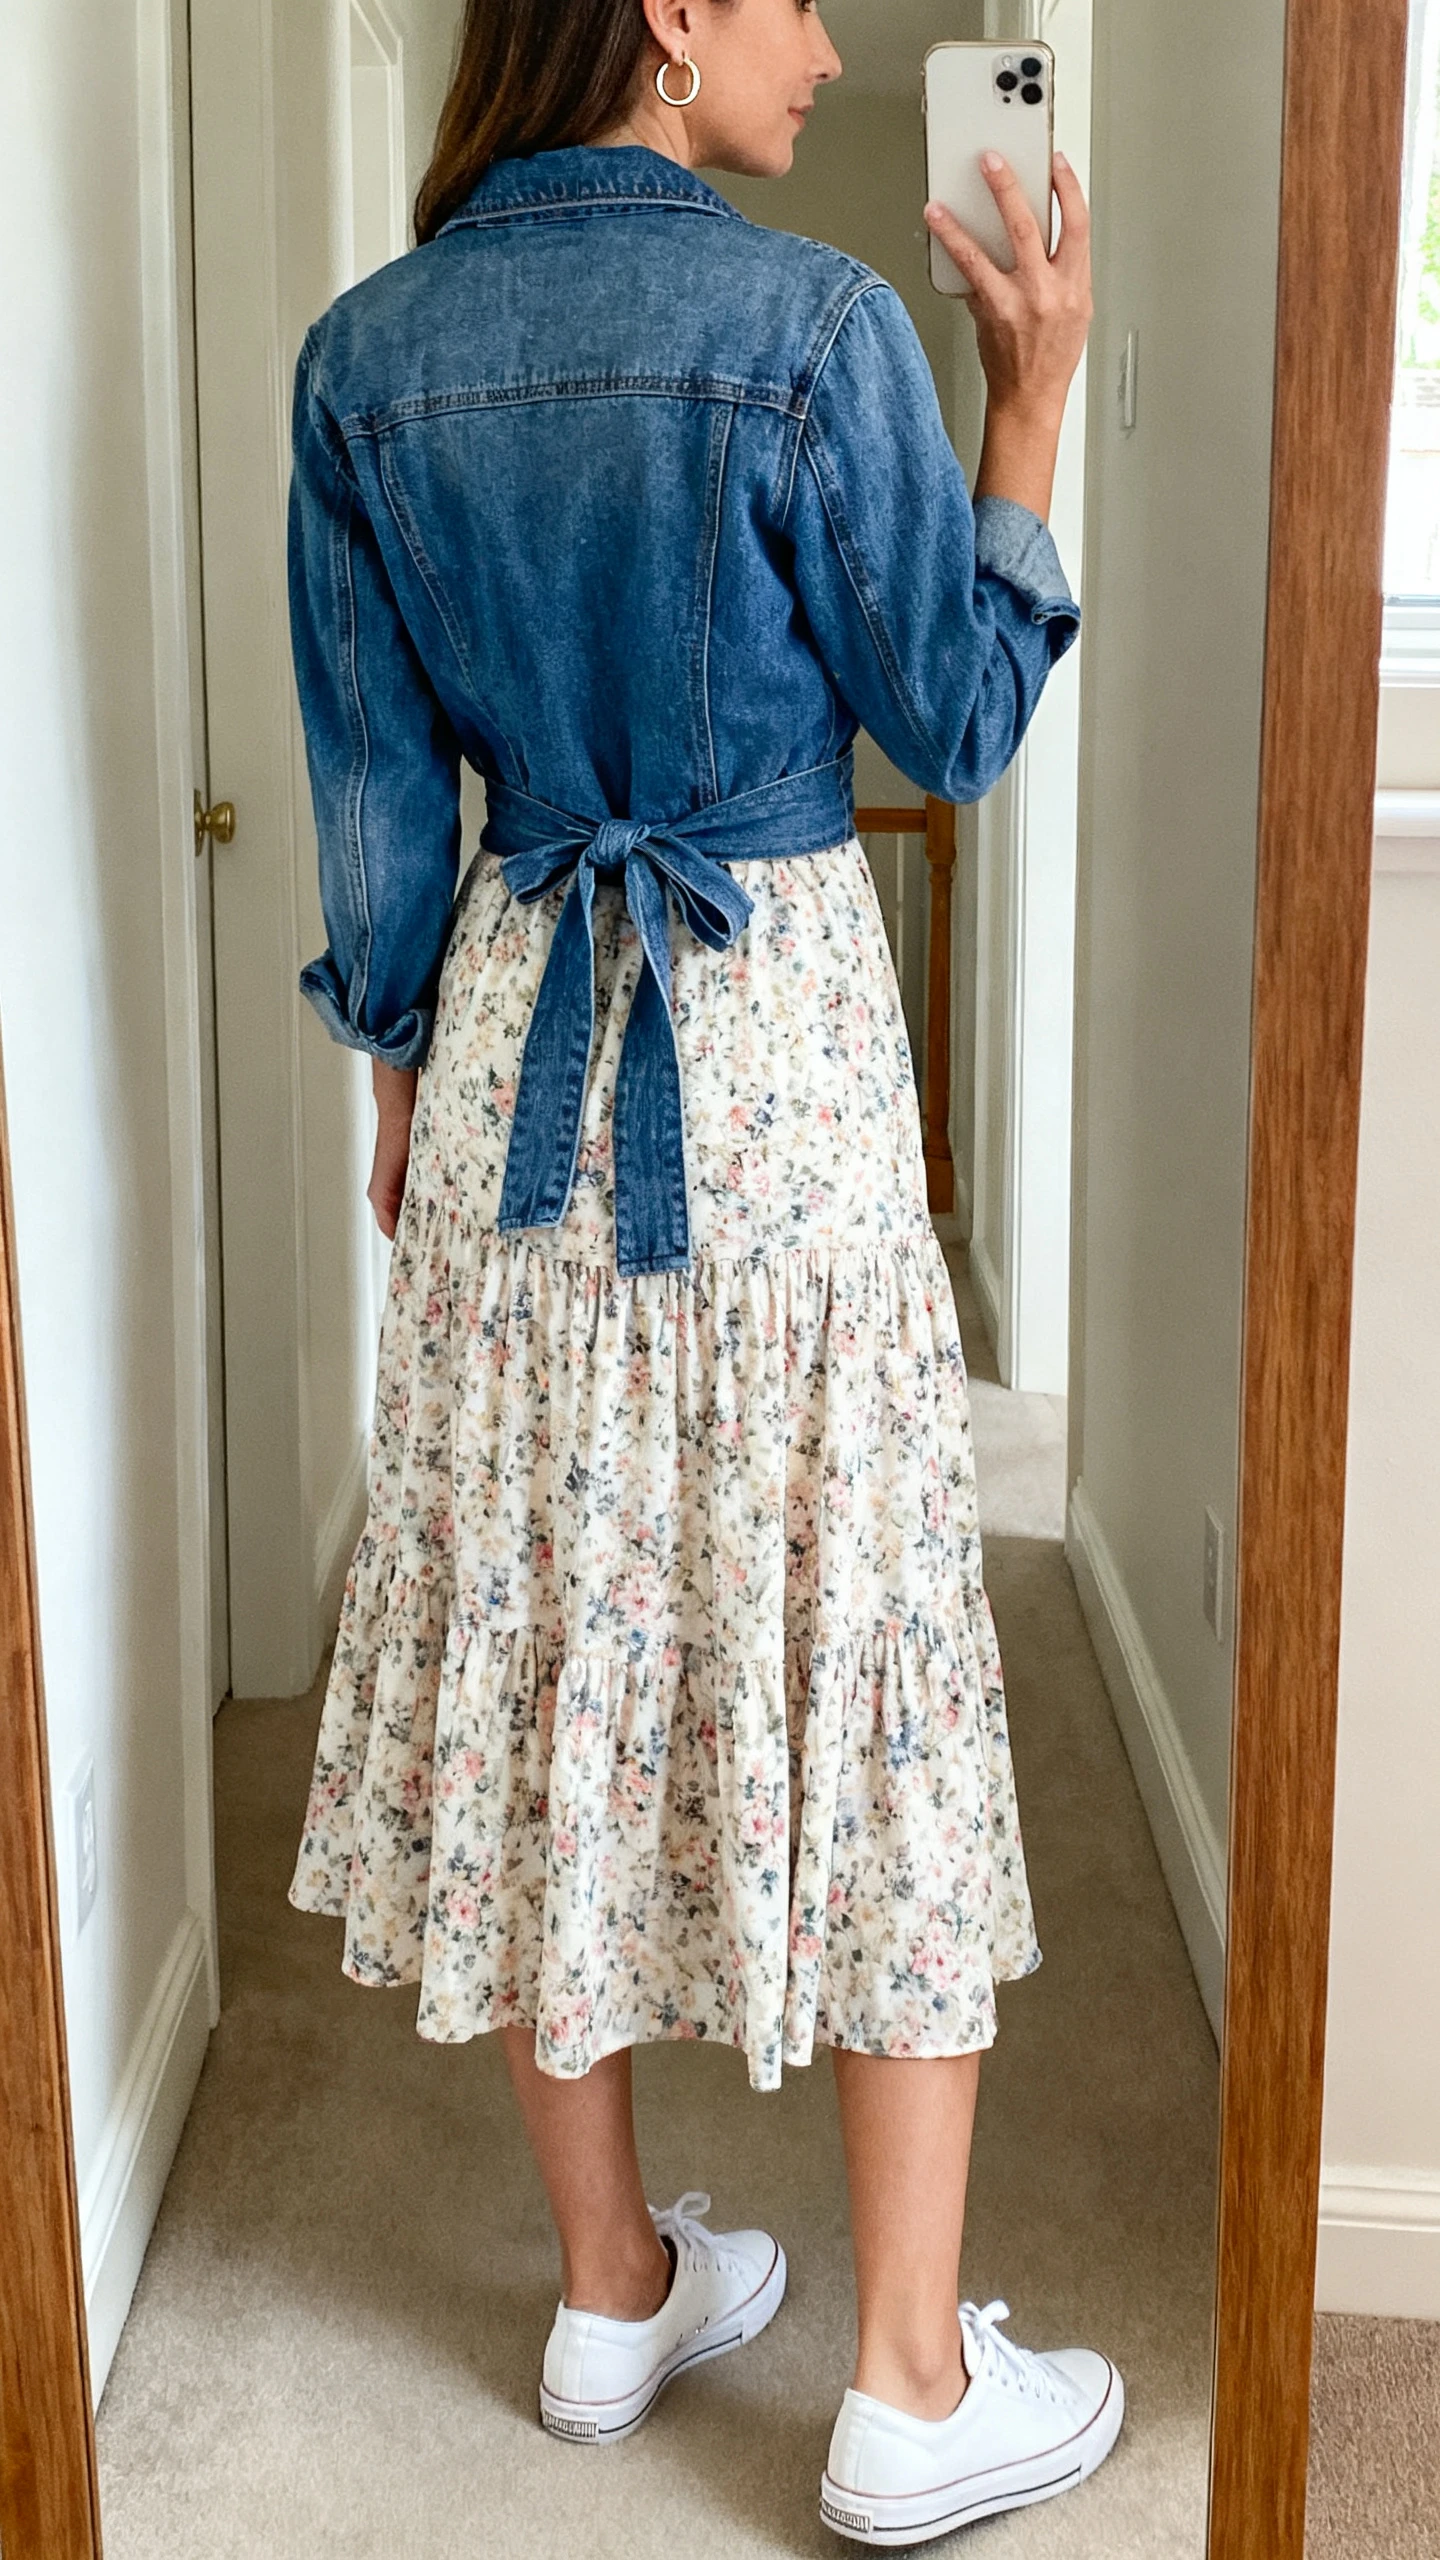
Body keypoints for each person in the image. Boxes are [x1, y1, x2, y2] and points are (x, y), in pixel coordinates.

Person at [285, 0, 1118, 2540]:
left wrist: (411, 1054)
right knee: (842, 1604)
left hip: (531, 1020)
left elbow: (370, 779)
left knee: (551, 1609)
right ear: (665, 11)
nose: (840, 49)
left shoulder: (366, 357)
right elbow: (953, 719)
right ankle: (897, 2372)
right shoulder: (823, 331)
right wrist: (1034, 401)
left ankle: (614, 2278)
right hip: (768, 1058)